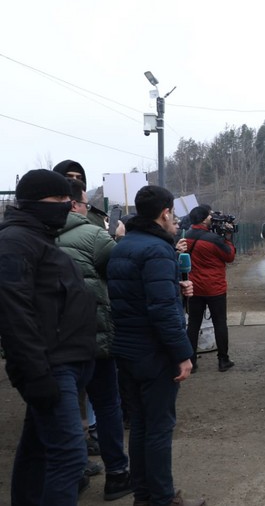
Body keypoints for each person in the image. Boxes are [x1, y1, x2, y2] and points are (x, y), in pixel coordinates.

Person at [0, 169, 97, 505]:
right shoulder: (14, 242)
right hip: (50, 366)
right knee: (70, 459)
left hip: (64, 363)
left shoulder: (40, 237)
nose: (66, 206)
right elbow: (14, 313)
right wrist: (36, 373)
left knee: (38, 451)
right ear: (32, 202)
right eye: (58, 200)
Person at [107, 185, 206, 506]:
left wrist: (174, 287)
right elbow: (162, 310)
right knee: (159, 428)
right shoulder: (158, 251)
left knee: (139, 425)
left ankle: (145, 495)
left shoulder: (123, 246)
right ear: (164, 213)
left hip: (126, 348)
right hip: (154, 353)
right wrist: (183, 354)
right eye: (173, 215)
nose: (175, 220)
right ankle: (162, 498)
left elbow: (136, 294)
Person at [56, 179, 131, 500]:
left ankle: (74, 472)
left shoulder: (35, 236)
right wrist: (118, 239)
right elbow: (123, 272)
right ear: (74, 204)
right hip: (96, 336)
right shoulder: (94, 235)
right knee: (107, 403)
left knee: (65, 408)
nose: (88, 207)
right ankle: (117, 473)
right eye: (85, 202)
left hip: (54, 342)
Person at [184, 205, 237, 373]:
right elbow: (229, 256)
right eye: (209, 216)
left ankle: (191, 361)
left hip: (194, 287)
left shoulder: (186, 236)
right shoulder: (213, 239)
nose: (211, 218)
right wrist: (228, 237)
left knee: (193, 324)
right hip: (215, 288)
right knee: (220, 323)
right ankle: (223, 360)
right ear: (203, 219)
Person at [53, 159, 108, 229]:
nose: (74, 180)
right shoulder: (48, 212)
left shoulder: (95, 217)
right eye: (69, 176)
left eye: (78, 177)